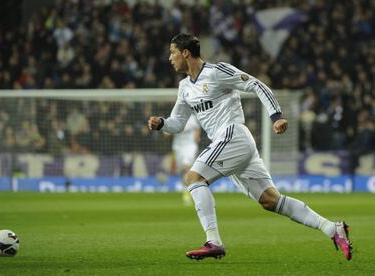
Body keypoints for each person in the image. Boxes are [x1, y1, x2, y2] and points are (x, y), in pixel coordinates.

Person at [148, 33, 352, 261]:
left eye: (172, 52)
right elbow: (178, 123)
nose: (169, 58)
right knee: (270, 200)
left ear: (185, 53)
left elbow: (257, 85)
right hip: (230, 144)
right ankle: (332, 229)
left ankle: (213, 241)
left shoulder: (217, 72)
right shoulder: (184, 87)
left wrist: (276, 116)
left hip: (233, 134)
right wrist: (162, 123)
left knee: (193, 178)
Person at [172, 114, 201, 205]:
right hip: (178, 146)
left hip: (190, 145)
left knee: (186, 167)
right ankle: (187, 189)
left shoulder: (192, 118)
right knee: (181, 171)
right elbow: (168, 132)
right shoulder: (174, 116)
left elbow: (197, 129)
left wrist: (197, 136)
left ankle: (188, 192)